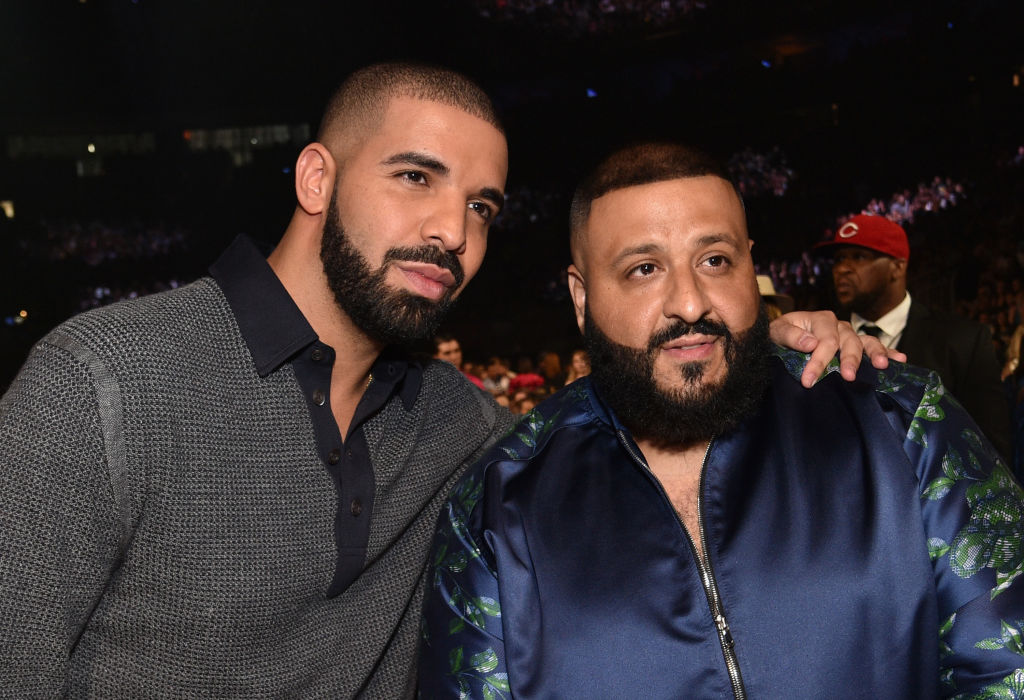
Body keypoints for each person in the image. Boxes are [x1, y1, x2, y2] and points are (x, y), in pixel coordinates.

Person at [0, 64, 888, 695]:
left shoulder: (457, 428)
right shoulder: (102, 383)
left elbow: (633, 433)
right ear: (317, 176)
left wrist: (765, 340)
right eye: (415, 177)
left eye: (481, 207)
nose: (452, 233)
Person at [417, 143, 1024, 698]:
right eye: (643, 269)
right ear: (582, 299)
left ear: (750, 267)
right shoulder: (499, 506)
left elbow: (1006, 665)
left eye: (714, 259)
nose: (689, 302)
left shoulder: (899, 420)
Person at [818, 213, 1011, 460]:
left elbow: (993, 450)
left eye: (859, 256)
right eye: (838, 259)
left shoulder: (964, 340)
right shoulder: (819, 339)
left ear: (897, 267)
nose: (842, 268)